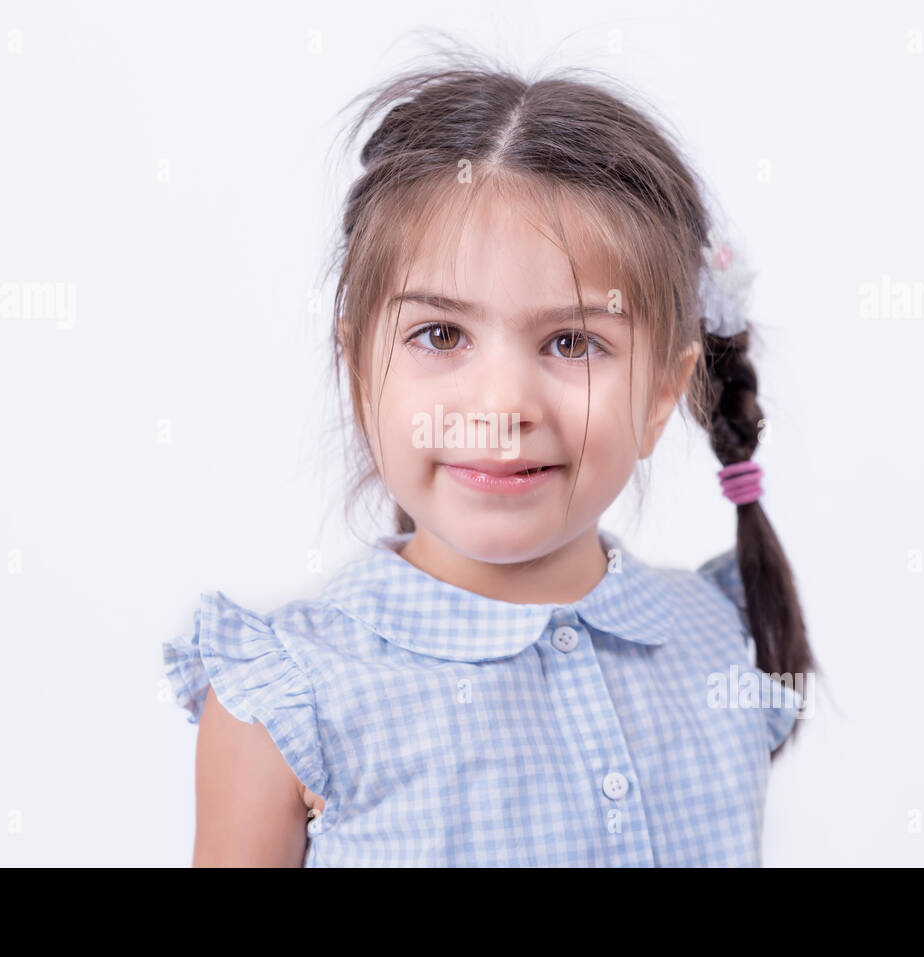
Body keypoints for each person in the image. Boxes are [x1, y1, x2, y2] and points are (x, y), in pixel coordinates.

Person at [163, 52, 816, 867]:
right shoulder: (288, 700)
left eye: (572, 342)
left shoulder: (721, 640)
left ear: (660, 395)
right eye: (440, 335)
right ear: (361, 372)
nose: (502, 406)